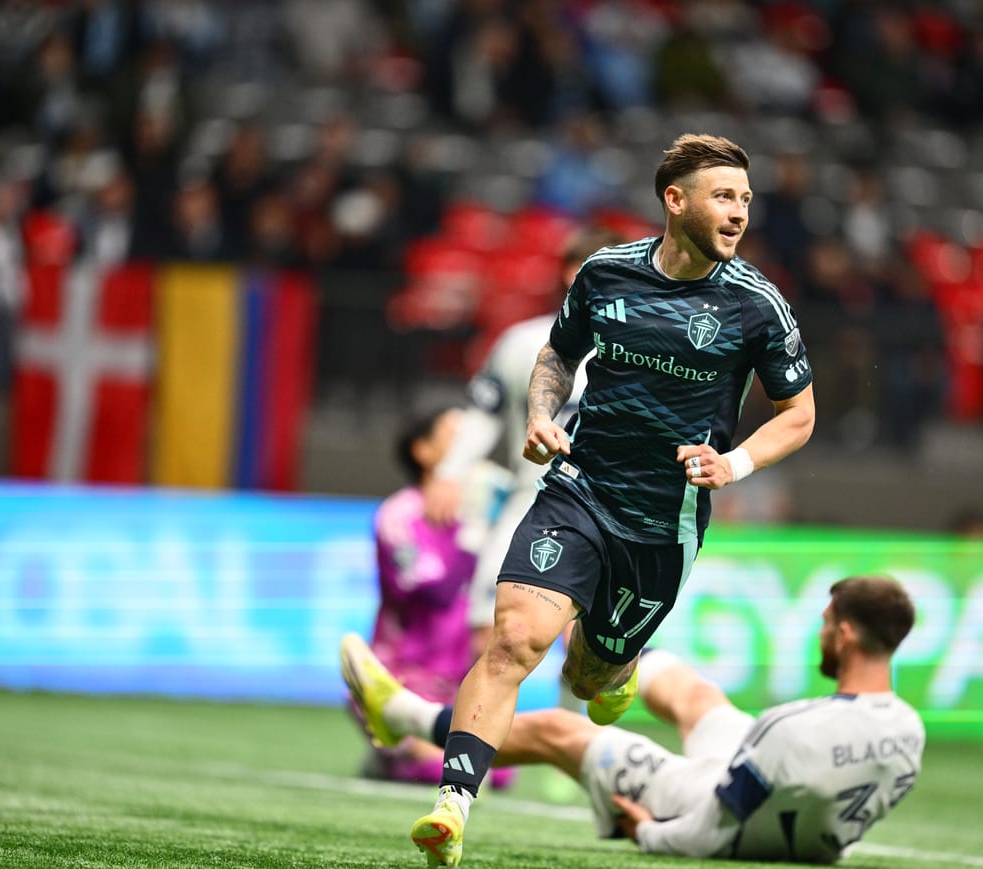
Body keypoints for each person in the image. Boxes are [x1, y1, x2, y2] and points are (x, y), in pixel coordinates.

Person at [403, 133, 817, 867]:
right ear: (675, 200)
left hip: (664, 523)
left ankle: (614, 666)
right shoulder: (604, 274)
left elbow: (800, 412)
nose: (739, 213)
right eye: (724, 196)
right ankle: (453, 804)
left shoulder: (757, 304)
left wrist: (736, 461)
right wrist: (539, 414)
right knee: (513, 639)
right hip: (579, 488)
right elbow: (557, 357)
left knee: (590, 675)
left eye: (746, 201)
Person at [340, 574, 923, 864]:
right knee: (693, 694)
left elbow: (709, 830)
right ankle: (617, 668)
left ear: (844, 635)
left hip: (701, 803)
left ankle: (402, 716)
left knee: (560, 731)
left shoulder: (792, 728)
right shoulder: (908, 733)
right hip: (791, 811)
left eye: (826, 624)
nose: (820, 632)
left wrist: (644, 831)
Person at [421, 228, 625, 661]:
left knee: (588, 653)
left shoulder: (644, 352)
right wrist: (449, 473)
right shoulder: (523, 342)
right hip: (529, 501)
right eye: (578, 278)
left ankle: (574, 729)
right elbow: (484, 411)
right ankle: (481, 729)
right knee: (488, 630)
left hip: (608, 513)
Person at [347, 406, 514, 788]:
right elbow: (436, 592)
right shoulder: (400, 516)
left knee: (502, 773)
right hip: (399, 683)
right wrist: (474, 530)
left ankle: (396, 756)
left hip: (456, 689)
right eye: (455, 435)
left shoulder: (487, 516)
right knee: (443, 770)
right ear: (423, 451)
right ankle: (394, 750)